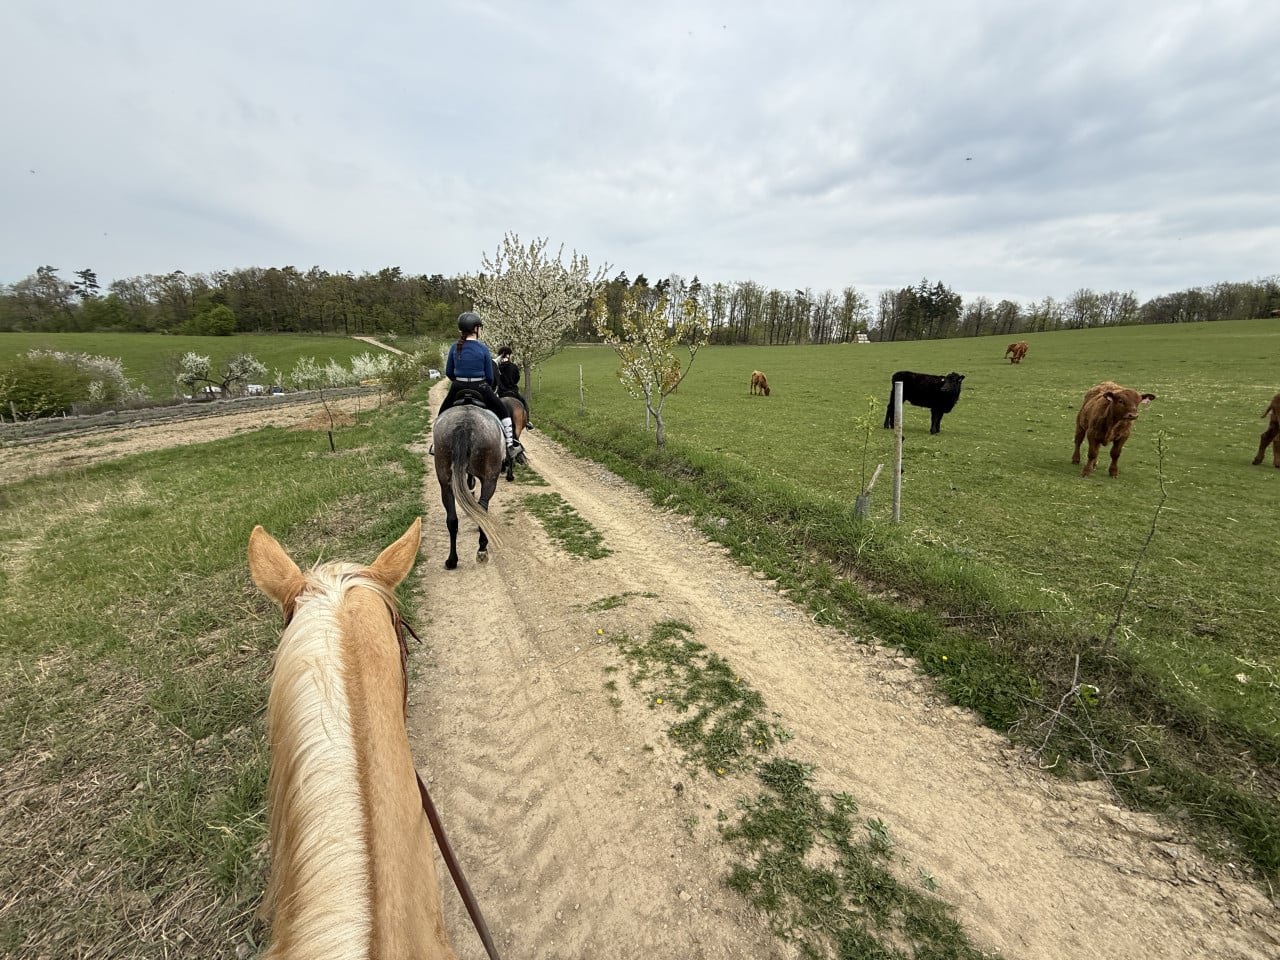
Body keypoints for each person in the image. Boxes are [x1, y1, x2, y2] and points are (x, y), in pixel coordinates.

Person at [436, 312, 522, 463]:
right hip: (480, 387)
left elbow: (449, 372)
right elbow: (489, 376)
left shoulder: (454, 347)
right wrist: (484, 385)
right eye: (480, 327)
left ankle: (435, 445)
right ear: (475, 329)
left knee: (442, 413)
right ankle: (510, 445)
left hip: (458, 387)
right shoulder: (483, 349)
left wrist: (459, 381)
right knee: (502, 411)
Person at [495, 345, 533, 429]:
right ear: (508, 355)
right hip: (512, 392)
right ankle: (527, 422)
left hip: (500, 392)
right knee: (524, 403)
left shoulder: (496, 366)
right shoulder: (513, 366)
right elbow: (516, 379)